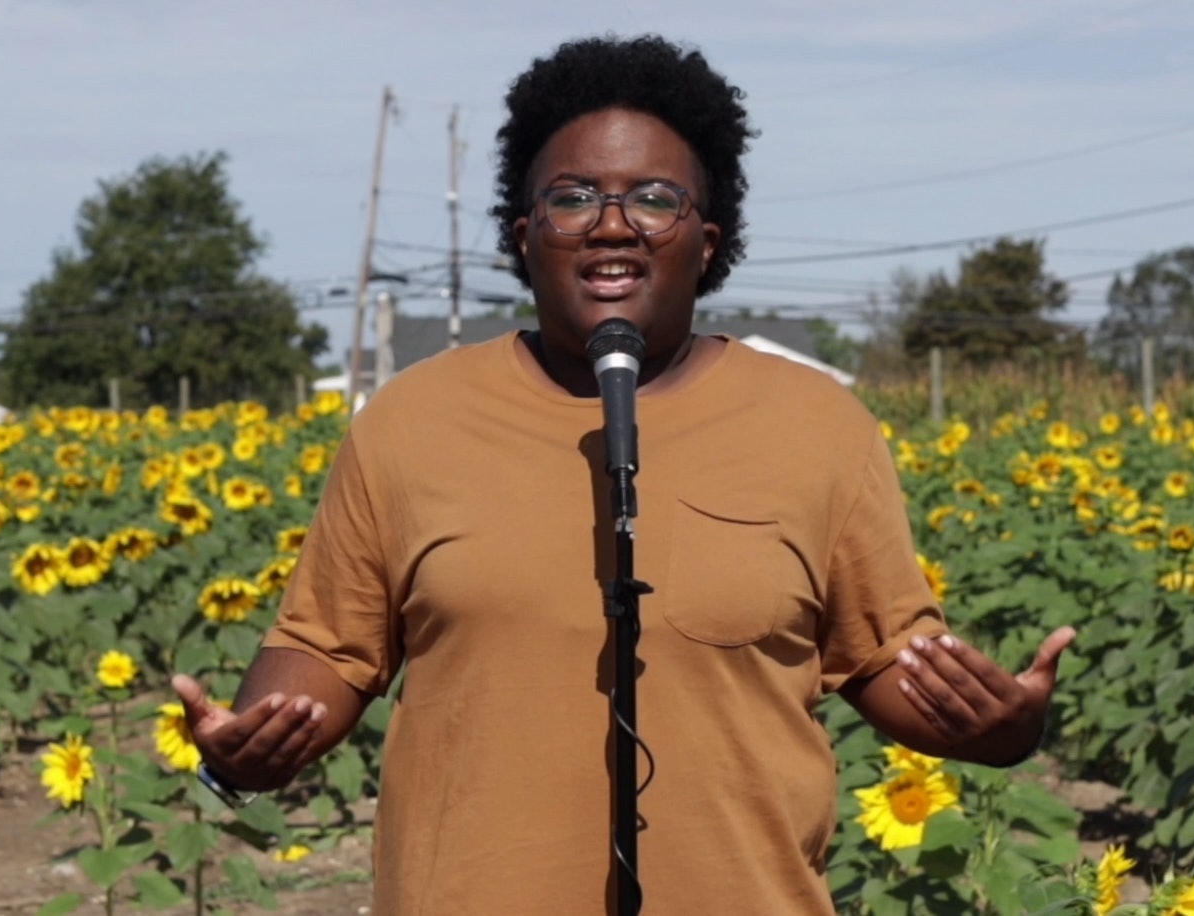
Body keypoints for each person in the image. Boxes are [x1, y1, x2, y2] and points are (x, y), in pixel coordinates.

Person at [173, 34, 1075, 914]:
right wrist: (248, 744)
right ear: (523, 235)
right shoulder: (410, 424)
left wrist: (1004, 730)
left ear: (709, 239)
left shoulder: (820, 428)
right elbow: (327, 646)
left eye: (654, 198)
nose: (612, 223)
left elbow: (884, 658)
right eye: (572, 199)